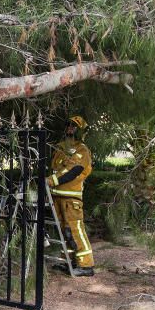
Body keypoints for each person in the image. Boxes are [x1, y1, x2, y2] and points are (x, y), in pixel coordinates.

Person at [48, 115, 95, 276]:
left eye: (74, 126)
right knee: (64, 232)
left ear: (80, 131)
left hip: (71, 199)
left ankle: (86, 265)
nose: (70, 128)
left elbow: (74, 170)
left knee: (75, 230)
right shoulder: (59, 148)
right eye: (68, 125)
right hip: (56, 196)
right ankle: (70, 262)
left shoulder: (83, 150)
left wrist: (50, 181)